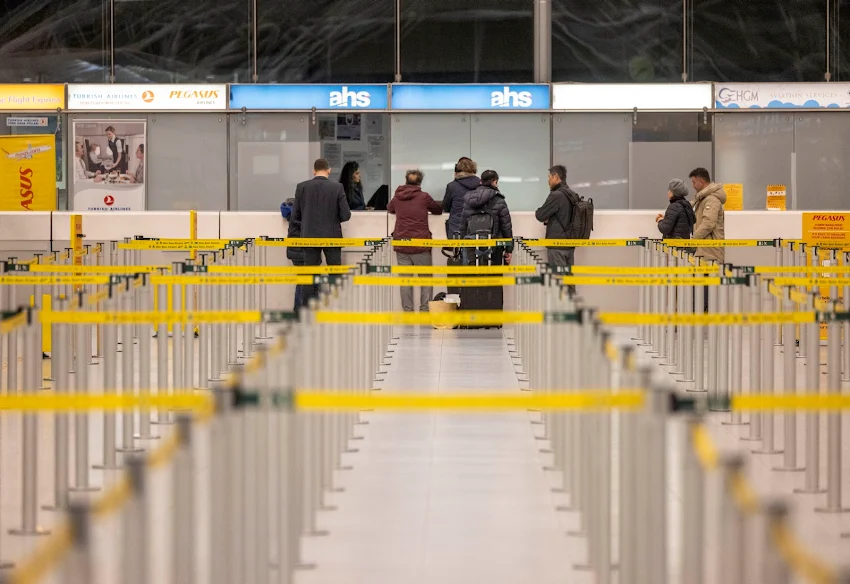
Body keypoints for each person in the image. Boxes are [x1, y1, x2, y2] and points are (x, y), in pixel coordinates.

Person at [292, 158, 352, 306]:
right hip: (332, 236)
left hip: (309, 236)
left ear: (314, 171)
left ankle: (308, 310)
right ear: (329, 170)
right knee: (334, 273)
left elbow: (295, 215)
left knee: (310, 274)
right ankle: (335, 308)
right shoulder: (337, 187)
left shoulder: (302, 187)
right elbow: (346, 215)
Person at [387, 169, 443, 312]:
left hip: (402, 243)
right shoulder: (424, 197)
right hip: (420, 244)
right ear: (420, 182)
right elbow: (437, 210)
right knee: (426, 279)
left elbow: (389, 208)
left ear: (406, 180)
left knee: (405, 280)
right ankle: (425, 310)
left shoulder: (397, 196)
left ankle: (407, 310)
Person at [689, 167, 727, 312]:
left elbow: (708, 223)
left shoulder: (711, 199)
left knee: (704, 288)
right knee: (700, 286)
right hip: (704, 249)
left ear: (701, 181)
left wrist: (693, 240)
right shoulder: (702, 198)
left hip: (709, 251)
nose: (692, 185)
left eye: (694, 182)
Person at [535, 165, 576, 292]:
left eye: (549, 177)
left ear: (556, 177)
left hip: (557, 244)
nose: (548, 180)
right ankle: (572, 308)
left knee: (559, 281)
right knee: (569, 279)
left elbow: (540, 215)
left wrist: (540, 212)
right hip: (569, 243)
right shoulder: (571, 194)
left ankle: (563, 310)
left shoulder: (557, 195)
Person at [459, 169, 513, 265]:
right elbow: (506, 227)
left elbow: (463, 226)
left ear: (481, 182)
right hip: (494, 248)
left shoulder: (469, 200)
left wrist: (463, 247)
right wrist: (509, 249)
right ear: (495, 182)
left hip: (472, 247)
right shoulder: (499, 200)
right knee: (494, 278)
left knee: (473, 278)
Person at [442, 157, 479, 238]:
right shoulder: (481, 185)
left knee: (457, 250)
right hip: (477, 227)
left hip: (456, 228)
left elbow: (446, 207)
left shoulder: (452, 186)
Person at [280, 197, 305, 311]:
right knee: (306, 281)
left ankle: (299, 309)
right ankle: (300, 310)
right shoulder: (300, 217)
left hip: (295, 250)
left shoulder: (293, 215)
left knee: (303, 280)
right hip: (301, 250)